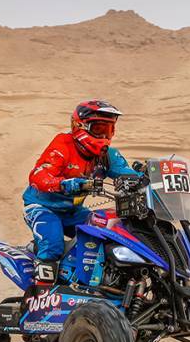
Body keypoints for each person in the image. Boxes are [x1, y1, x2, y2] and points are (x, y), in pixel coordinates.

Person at [22, 99, 142, 288]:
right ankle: (41, 293)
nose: (104, 135)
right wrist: (65, 184)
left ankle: (94, 281)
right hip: (43, 207)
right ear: (81, 126)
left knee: (110, 230)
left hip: (73, 212)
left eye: (109, 129)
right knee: (53, 244)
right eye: (99, 128)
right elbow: (38, 176)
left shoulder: (107, 155)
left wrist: (147, 177)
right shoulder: (63, 145)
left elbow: (128, 174)